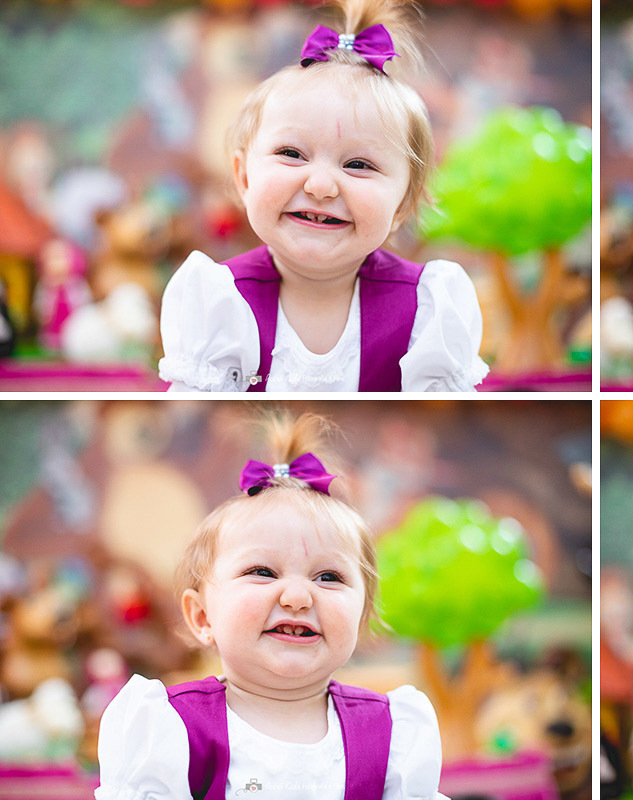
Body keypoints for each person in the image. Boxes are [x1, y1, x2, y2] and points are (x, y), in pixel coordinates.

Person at [96, 413, 447, 799]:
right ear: (201, 616)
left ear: (362, 615)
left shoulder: (392, 734)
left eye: (328, 577)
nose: (297, 597)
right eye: (262, 571)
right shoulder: (172, 732)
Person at [159, 0, 488, 392]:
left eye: (359, 165)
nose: (320, 185)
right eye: (292, 154)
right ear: (244, 176)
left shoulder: (426, 312)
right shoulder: (219, 305)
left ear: (403, 204)